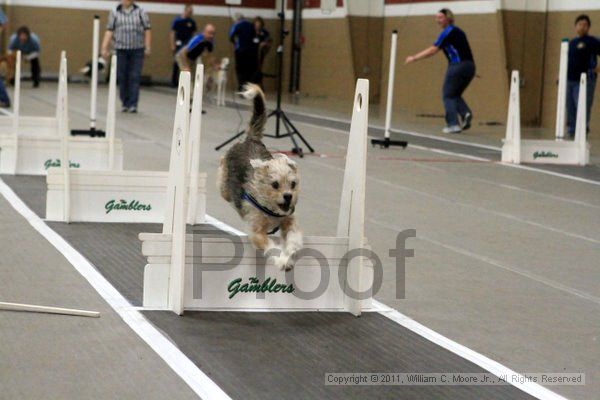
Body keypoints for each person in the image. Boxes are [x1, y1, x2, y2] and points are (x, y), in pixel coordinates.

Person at [405, 9, 475, 134]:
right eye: (436, 18)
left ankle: (453, 124)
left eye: (440, 18)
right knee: (454, 94)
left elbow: (433, 50)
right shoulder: (459, 31)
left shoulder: (448, 32)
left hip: (457, 66)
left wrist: (414, 58)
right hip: (469, 66)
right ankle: (465, 113)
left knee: (447, 95)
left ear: (448, 18)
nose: (437, 20)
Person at [101, 0, 151, 113]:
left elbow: (147, 29)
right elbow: (109, 30)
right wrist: (104, 47)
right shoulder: (114, 12)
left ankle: (133, 104)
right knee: (122, 76)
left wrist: (147, 47)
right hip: (120, 49)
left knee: (134, 76)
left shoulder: (140, 12)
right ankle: (125, 102)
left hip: (137, 49)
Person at [566, 14, 600, 137]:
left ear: (589, 27)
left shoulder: (592, 41)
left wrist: (597, 69)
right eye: (580, 24)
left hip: (585, 80)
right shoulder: (571, 43)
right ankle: (571, 129)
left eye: (585, 25)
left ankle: (582, 128)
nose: (582, 27)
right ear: (576, 26)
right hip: (569, 79)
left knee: (582, 104)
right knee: (570, 106)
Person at [170, 4, 196, 87]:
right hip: (178, 43)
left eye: (191, 12)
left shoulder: (192, 22)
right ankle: (174, 81)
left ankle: (185, 81)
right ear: (185, 11)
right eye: (188, 11)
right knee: (176, 63)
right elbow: (172, 33)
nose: (190, 13)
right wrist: (172, 44)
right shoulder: (177, 20)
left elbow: (194, 34)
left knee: (186, 63)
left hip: (187, 45)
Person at [229, 14, 257, 90]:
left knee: (240, 70)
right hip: (251, 52)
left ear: (237, 19)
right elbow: (255, 37)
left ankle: (241, 88)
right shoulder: (251, 25)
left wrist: (235, 44)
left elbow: (231, 36)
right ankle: (249, 88)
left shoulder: (236, 25)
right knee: (249, 70)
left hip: (240, 52)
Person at [253, 16, 271, 86]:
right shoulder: (251, 31)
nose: (257, 26)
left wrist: (264, 43)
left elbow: (268, 40)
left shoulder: (264, 32)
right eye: (256, 25)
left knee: (258, 69)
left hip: (260, 53)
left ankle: (258, 84)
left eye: (259, 25)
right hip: (251, 53)